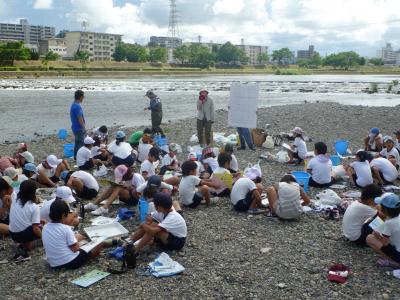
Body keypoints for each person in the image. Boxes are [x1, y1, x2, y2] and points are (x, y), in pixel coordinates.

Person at [42, 200, 102, 269]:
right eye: (67, 215)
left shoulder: (45, 227)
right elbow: (75, 249)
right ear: (63, 215)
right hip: (71, 262)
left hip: (53, 264)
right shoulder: (66, 228)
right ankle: (90, 257)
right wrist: (78, 241)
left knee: (77, 239)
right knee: (99, 244)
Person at [9, 181, 41, 258]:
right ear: (33, 193)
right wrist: (43, 237)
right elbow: (35, 228)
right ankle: (29, 245)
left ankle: (23, 244)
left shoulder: (15, 201)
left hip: (12, 234)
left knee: (34, 224)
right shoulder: (34, 206)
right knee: (41, 228)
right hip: (24, 234)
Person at [366, 193, 400, 268]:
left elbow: (385, 243)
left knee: (369, 238)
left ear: (386, 210)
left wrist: (377, 236)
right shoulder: (396, 217)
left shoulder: (389, 223)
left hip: (398, 255)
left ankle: (392, 262)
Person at [70, 90, 86, 160]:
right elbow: (80, 118)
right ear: (80, 97)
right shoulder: (77, 107)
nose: (83, 98)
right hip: (79, 128)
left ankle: (75, 157)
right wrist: (84, 127)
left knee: (77, 143)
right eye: (83, 97)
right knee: (81, 144)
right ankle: (79, 158)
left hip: (74, 128)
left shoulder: (73, 105)